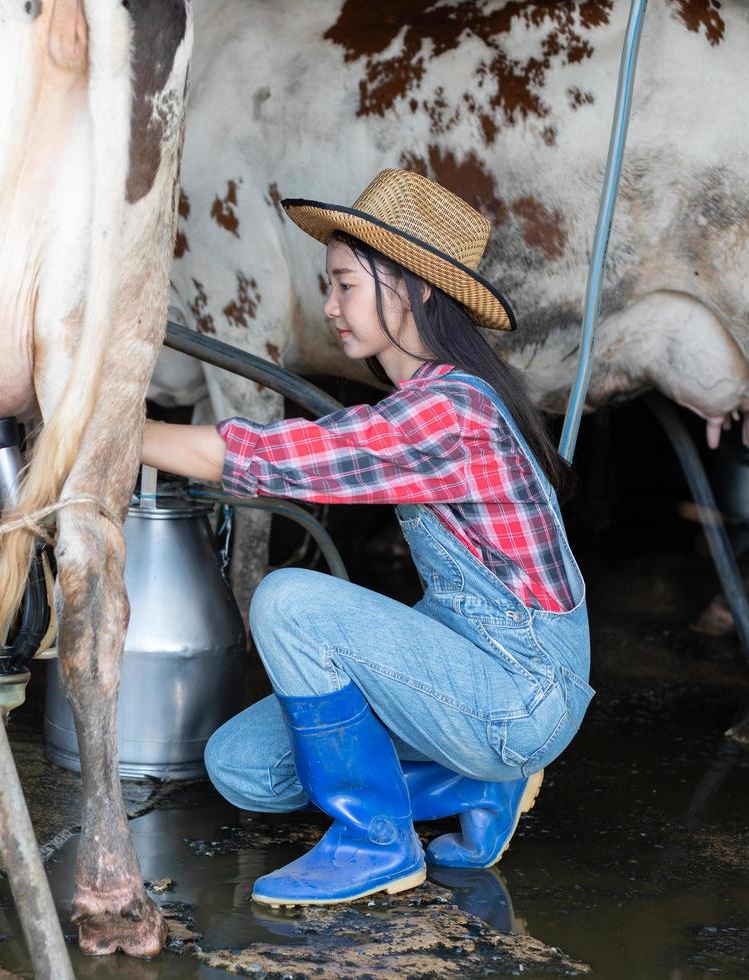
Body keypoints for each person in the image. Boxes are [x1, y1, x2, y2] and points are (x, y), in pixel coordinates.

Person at [141, 169, 593, 907]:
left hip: (520, 689)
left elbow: (281, 459)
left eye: (345, 285)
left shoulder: (450, 413)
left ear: (412, 288)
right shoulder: (426, 400)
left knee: (289, 601)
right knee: (241, 768)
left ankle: (375, 843)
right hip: (468, 666)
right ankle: (480, 778)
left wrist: (116, 432)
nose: (328, 307)